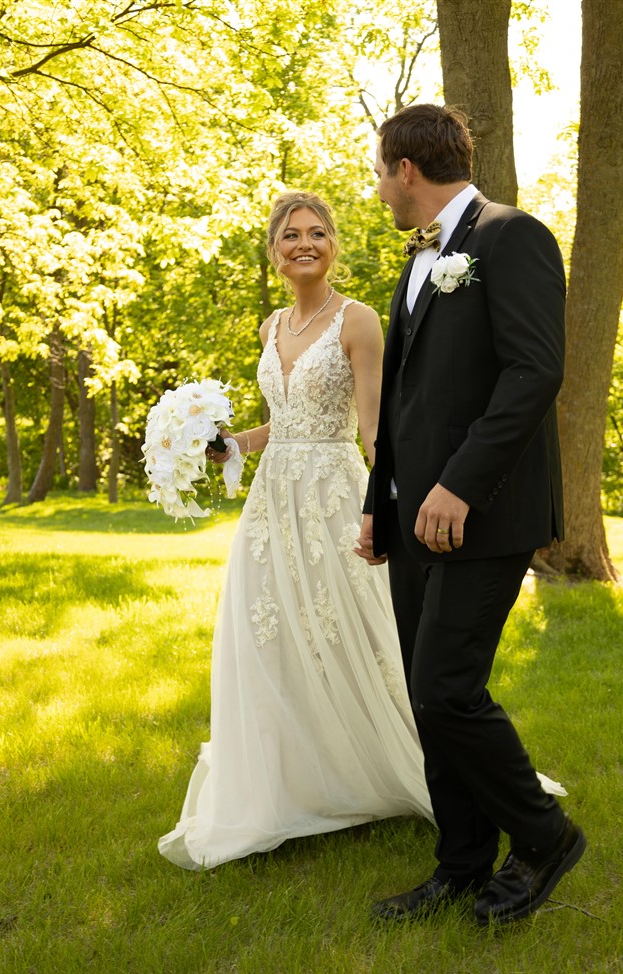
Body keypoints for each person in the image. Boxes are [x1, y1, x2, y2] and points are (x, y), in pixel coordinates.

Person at [356, 104, 585, 925]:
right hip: (414, 517)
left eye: (381, 171)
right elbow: (405, 408)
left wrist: (457, 484)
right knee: (427, 698)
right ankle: (458, 864)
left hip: (481, 510)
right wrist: (380, 504)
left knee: (446, 688)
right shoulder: (420, 259)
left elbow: (532, 372)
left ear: (405, 170)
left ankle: (544, 836)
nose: (379, 187)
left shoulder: (509, 236)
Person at [158, 191, 435, 870]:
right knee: (268, 634)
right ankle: (290, 783)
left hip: (333, 495)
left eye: (316, 233)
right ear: (274, 249)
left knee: (347, 629)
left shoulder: (358, 320)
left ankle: (378, 766)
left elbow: (372, 426)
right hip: (271, 500)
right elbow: (283, 418)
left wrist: (385, 503)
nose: (303, 243)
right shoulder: (270, 325)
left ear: (332, 244)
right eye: (290, 235)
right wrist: (231, 444)